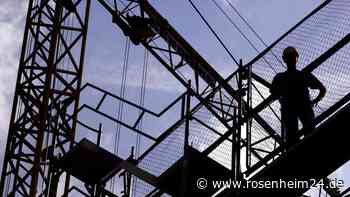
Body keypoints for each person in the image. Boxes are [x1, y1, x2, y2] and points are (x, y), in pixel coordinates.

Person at [270, 46, 326, 148]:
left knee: (295, 137)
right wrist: (315, 100)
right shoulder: (302, 75)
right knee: (304, 134)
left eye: (291, 56)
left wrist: (281, 98)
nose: (291, 59)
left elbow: (273, 93)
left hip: (293, 110)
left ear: (284, 59)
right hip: (299, 109)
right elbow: (322, 89)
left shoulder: (281, 78)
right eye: (290, 57)